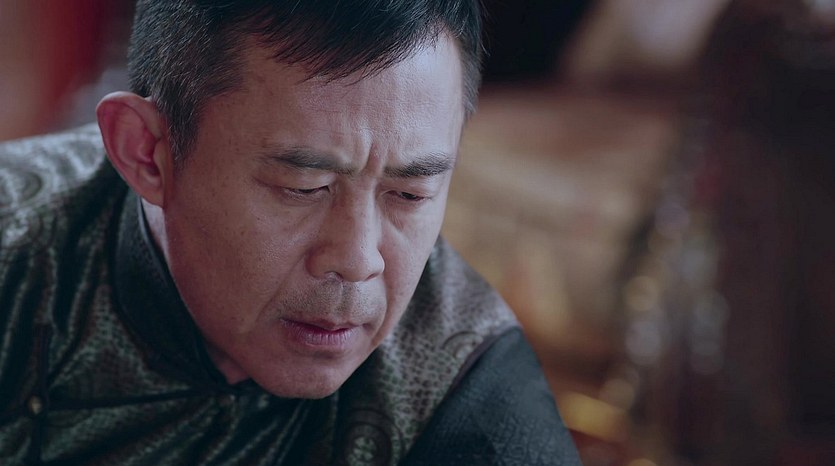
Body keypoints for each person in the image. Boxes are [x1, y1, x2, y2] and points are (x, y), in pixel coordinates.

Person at [0, 1, 581, 464]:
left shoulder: (464, 393)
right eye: (303, 186)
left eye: (409, 194)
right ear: (147, 152)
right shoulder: (17, 255)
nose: (357, 260)